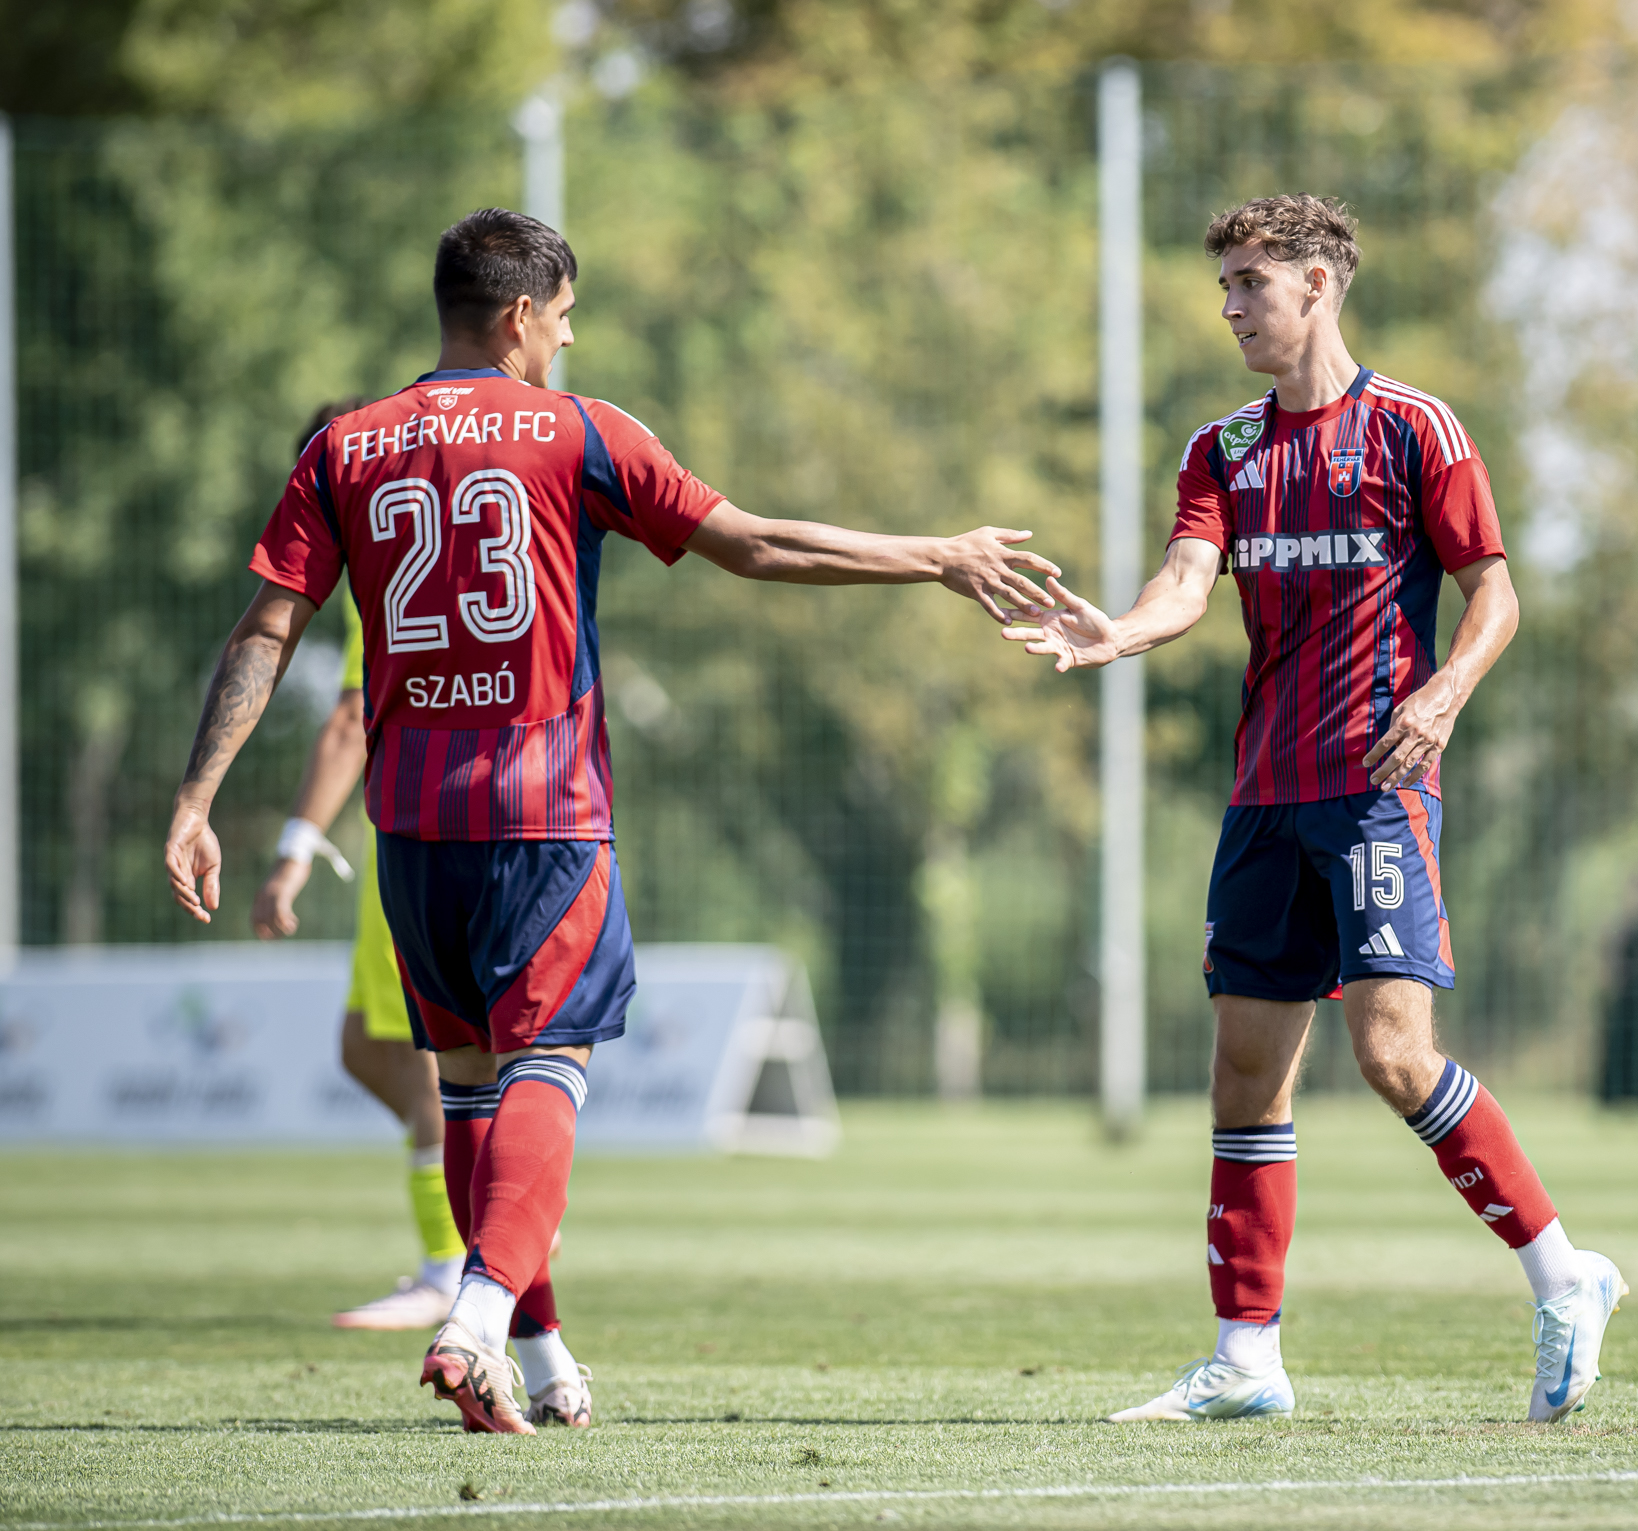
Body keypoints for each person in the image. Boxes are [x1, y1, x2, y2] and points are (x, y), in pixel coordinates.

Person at [165, 206, 1059, 1435]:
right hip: (544, 813)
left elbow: (268, 627)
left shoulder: (344, 446)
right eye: (566, 316)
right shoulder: (577, 431)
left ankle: (536, 1354)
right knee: (551, 1064)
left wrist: (196, 797)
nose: (570, 340)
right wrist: (934, 555)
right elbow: (754, 544)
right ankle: (478, 1317)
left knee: (471, 1087)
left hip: (411, 828)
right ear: (520, 313)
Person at [1007, 193, 1626, 1424]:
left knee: (1391, 1054)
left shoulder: (1415, 427)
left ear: (1319, 282)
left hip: (1375, 789)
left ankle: (1565, 1274)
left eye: (1250, 282)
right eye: (1225, 287)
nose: (1231, 307)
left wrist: (1442, 695)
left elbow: (1494, 594)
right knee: (1245, 1076)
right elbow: (1187, 579)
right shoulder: (1222, 448)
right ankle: (1246, 1357)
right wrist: (1118, 631)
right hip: (1263, 797)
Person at [250, 402, 470, 1336]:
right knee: (366, 1046)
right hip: (432, 821)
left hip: (416, 825)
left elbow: (350, 722)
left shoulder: (378, 554)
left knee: (427, 1061)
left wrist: (295, 848)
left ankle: (451, 1265)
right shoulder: (422, 535)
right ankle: (485, 1193)